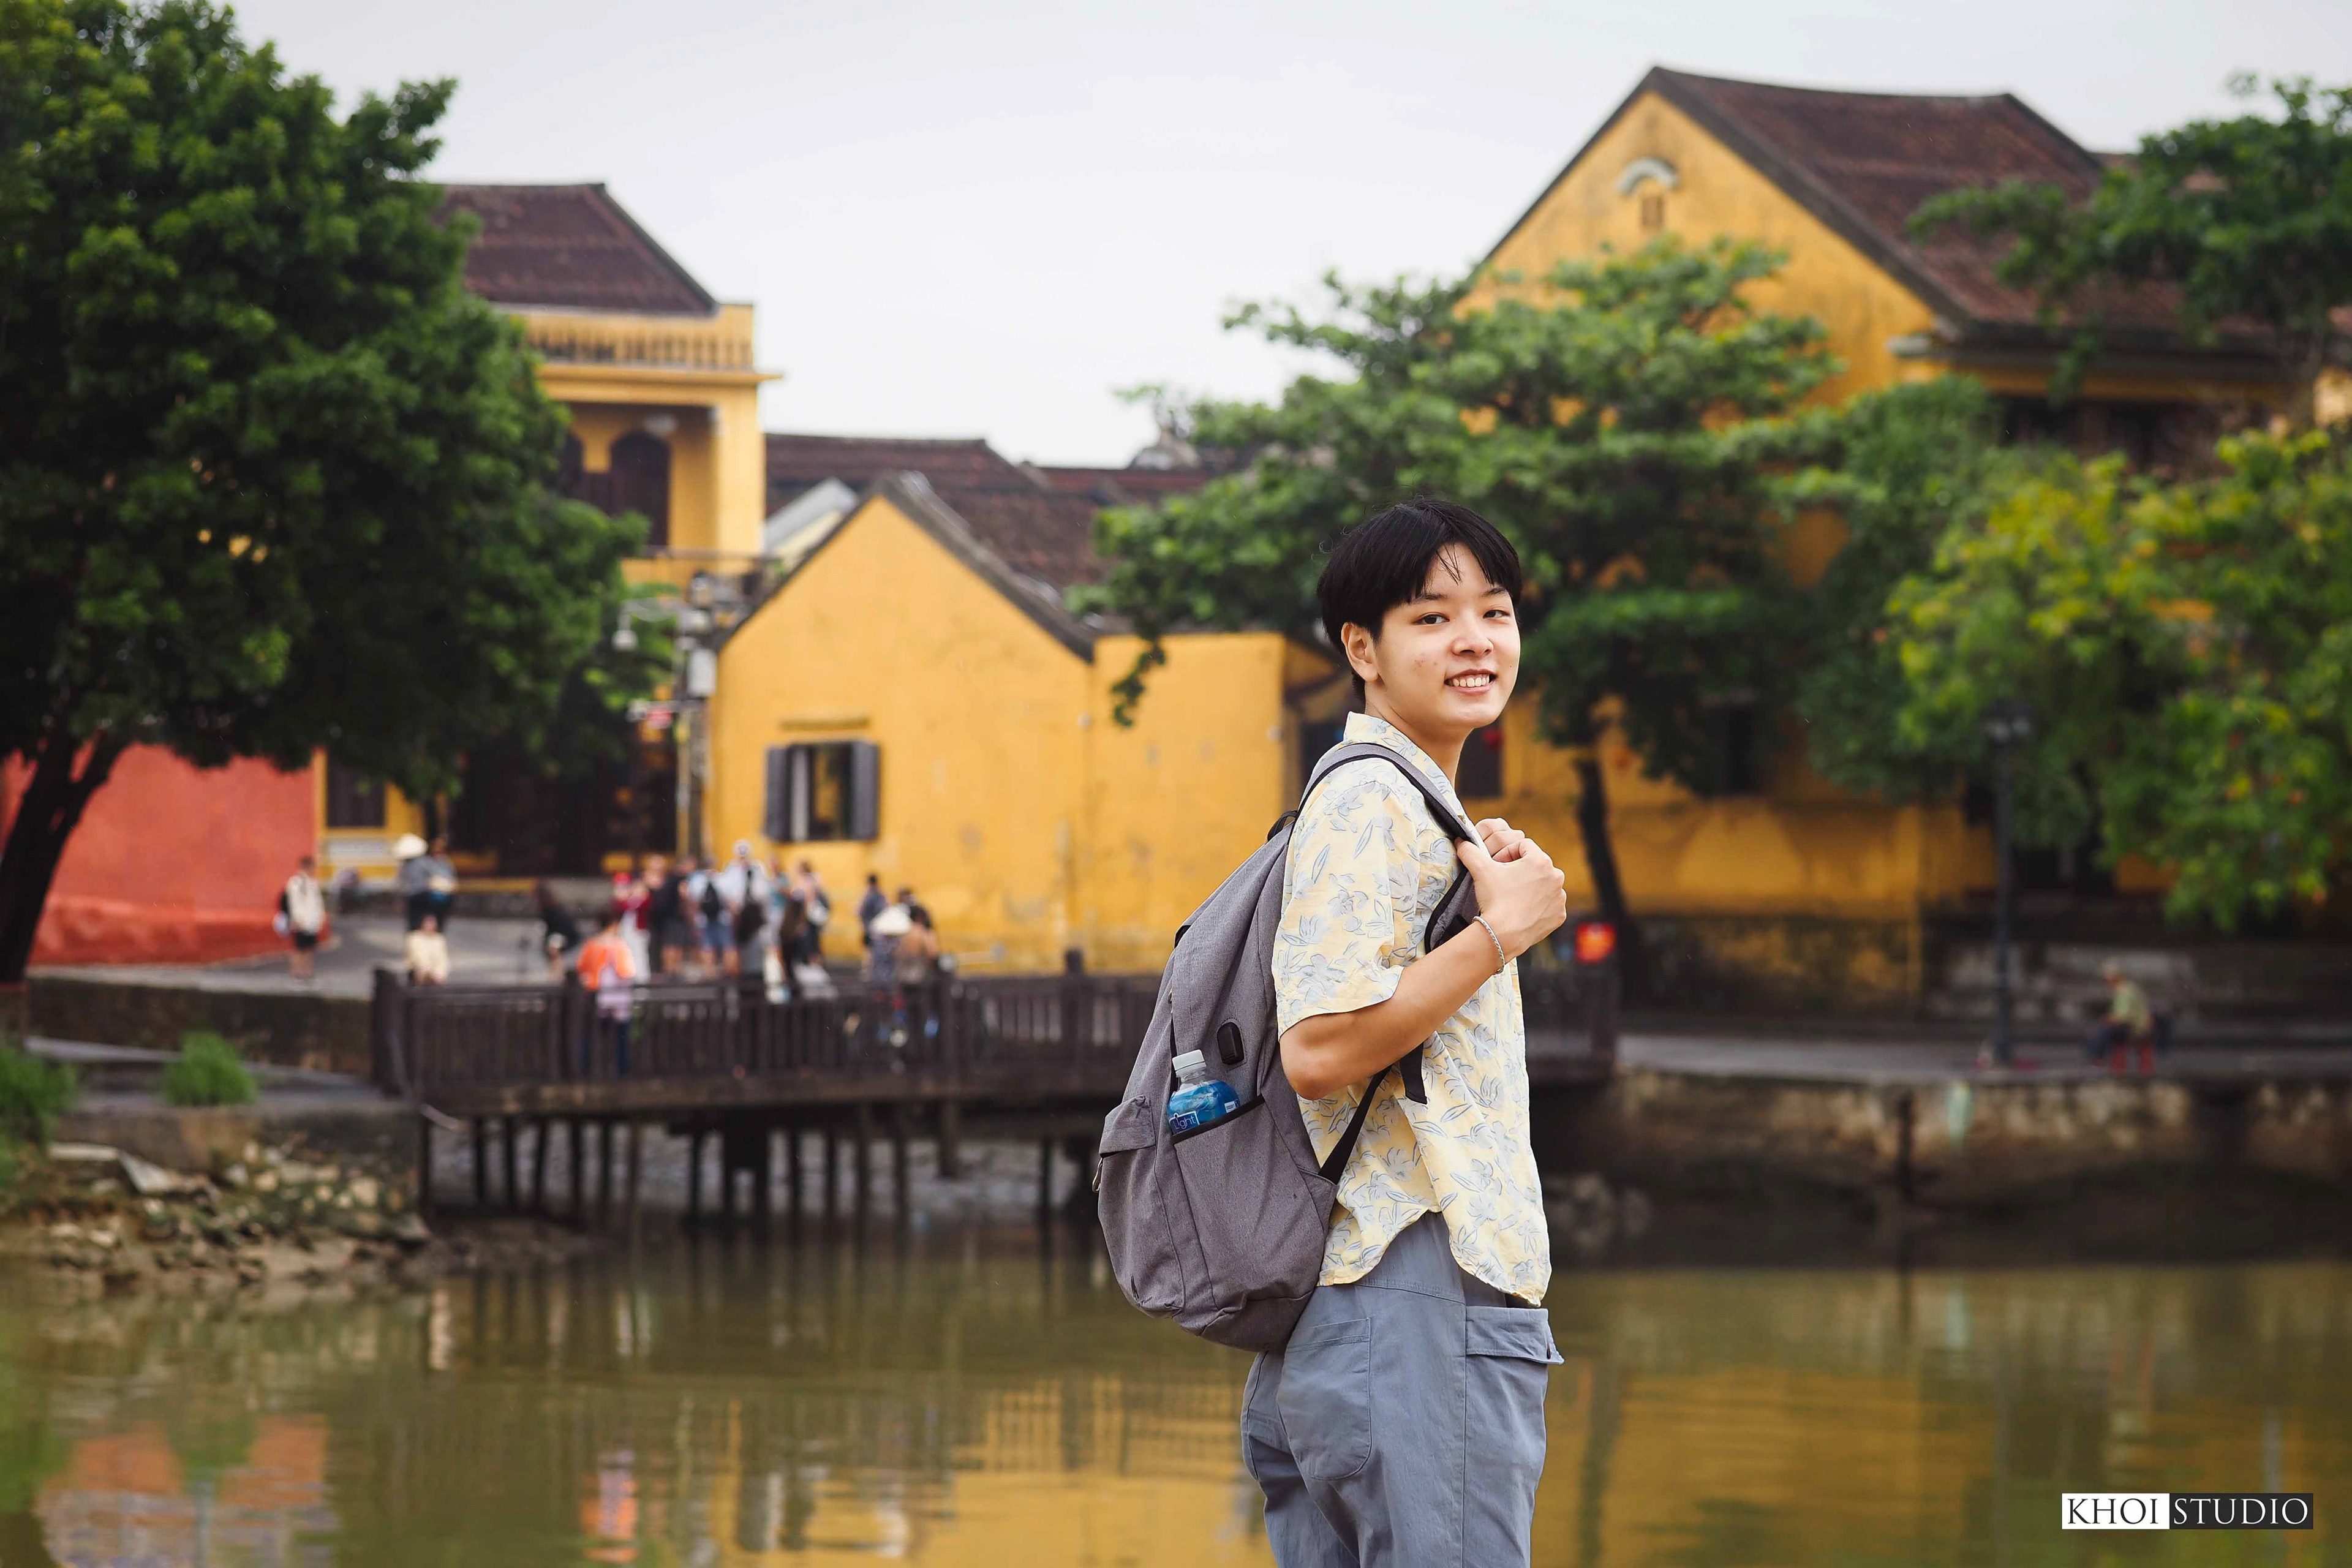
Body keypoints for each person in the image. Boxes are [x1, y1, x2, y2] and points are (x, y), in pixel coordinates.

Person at [1246, 499, 1567, 1567]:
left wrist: (1482, 907)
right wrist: (1500, 938)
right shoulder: (1372, 799)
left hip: (1365, 1300)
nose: (1476, 639)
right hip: (1415, 1289)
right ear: (1362, 650)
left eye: (1495, 610)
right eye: (1432, 617)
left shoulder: (1408, 804)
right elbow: (1321, 1051)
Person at [575, 908, 638, 1076]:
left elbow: (581, 968)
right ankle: (621, 1072)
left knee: (593, 1036)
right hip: (617, 998)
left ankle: (587, 1070)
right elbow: (627, 972)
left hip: (597, 996)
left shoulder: (591, 945)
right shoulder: (620, 946)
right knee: (620, 1038)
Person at [2090, 961, 2159, 1076]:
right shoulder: (2130, 987)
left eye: (2106, 980)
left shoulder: (2124, 991)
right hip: (2142, 1026)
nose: (2106, 983)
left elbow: (2122, 1017)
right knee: (2106, 1031)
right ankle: (2104, 1063)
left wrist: (2105, 1021)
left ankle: (2098, 1061)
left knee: (2101, 1032)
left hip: (2137, 1028)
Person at [279, 854, 327, 981]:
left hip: (312, 922)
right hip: (300, 922)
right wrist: (294, 920)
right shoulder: (295, 883)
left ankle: (308, 972)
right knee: (298, 949)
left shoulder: (313, 883)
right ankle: (296, 972)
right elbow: (290, 903)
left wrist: (320, 918)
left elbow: (317, 903)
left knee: (309, 949)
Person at [535, 880, 582, 979]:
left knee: (555, 954)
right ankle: (555, 976)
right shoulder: (547, 909)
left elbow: (561, 927)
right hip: (557, 936)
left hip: (564, 935)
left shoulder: (553, 910)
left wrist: (555, 942)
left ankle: (557, 977)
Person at [392, 832, 432, 930]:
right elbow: (431, 875)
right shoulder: (425, 861)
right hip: (423, 893)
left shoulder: (404, 865)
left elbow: (400, 883)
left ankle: (414, 937)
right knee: (422, 918)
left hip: (411, 895)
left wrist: (399, 900)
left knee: (412, 920)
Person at [405, 911, 451, 986]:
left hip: (436, 972)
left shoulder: (439, 939)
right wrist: (428, 970)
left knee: (439, 976)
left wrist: (439, 972)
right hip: (419, 970)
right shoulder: (414, 937)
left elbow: (443, 958)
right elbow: (417, 957)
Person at [423, 836, 459, 930]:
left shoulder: (447, 863)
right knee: (430, 920)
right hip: (431, 896)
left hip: (445, 895)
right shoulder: (427, 863)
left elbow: (453, 877)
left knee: (442, 919)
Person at [856, 874, 886, 957]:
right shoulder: (881, 895)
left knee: (870, 951)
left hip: (870, 927)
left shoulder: (868, 896)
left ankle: (870, 967)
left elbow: (860, 911)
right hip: (876, 928)